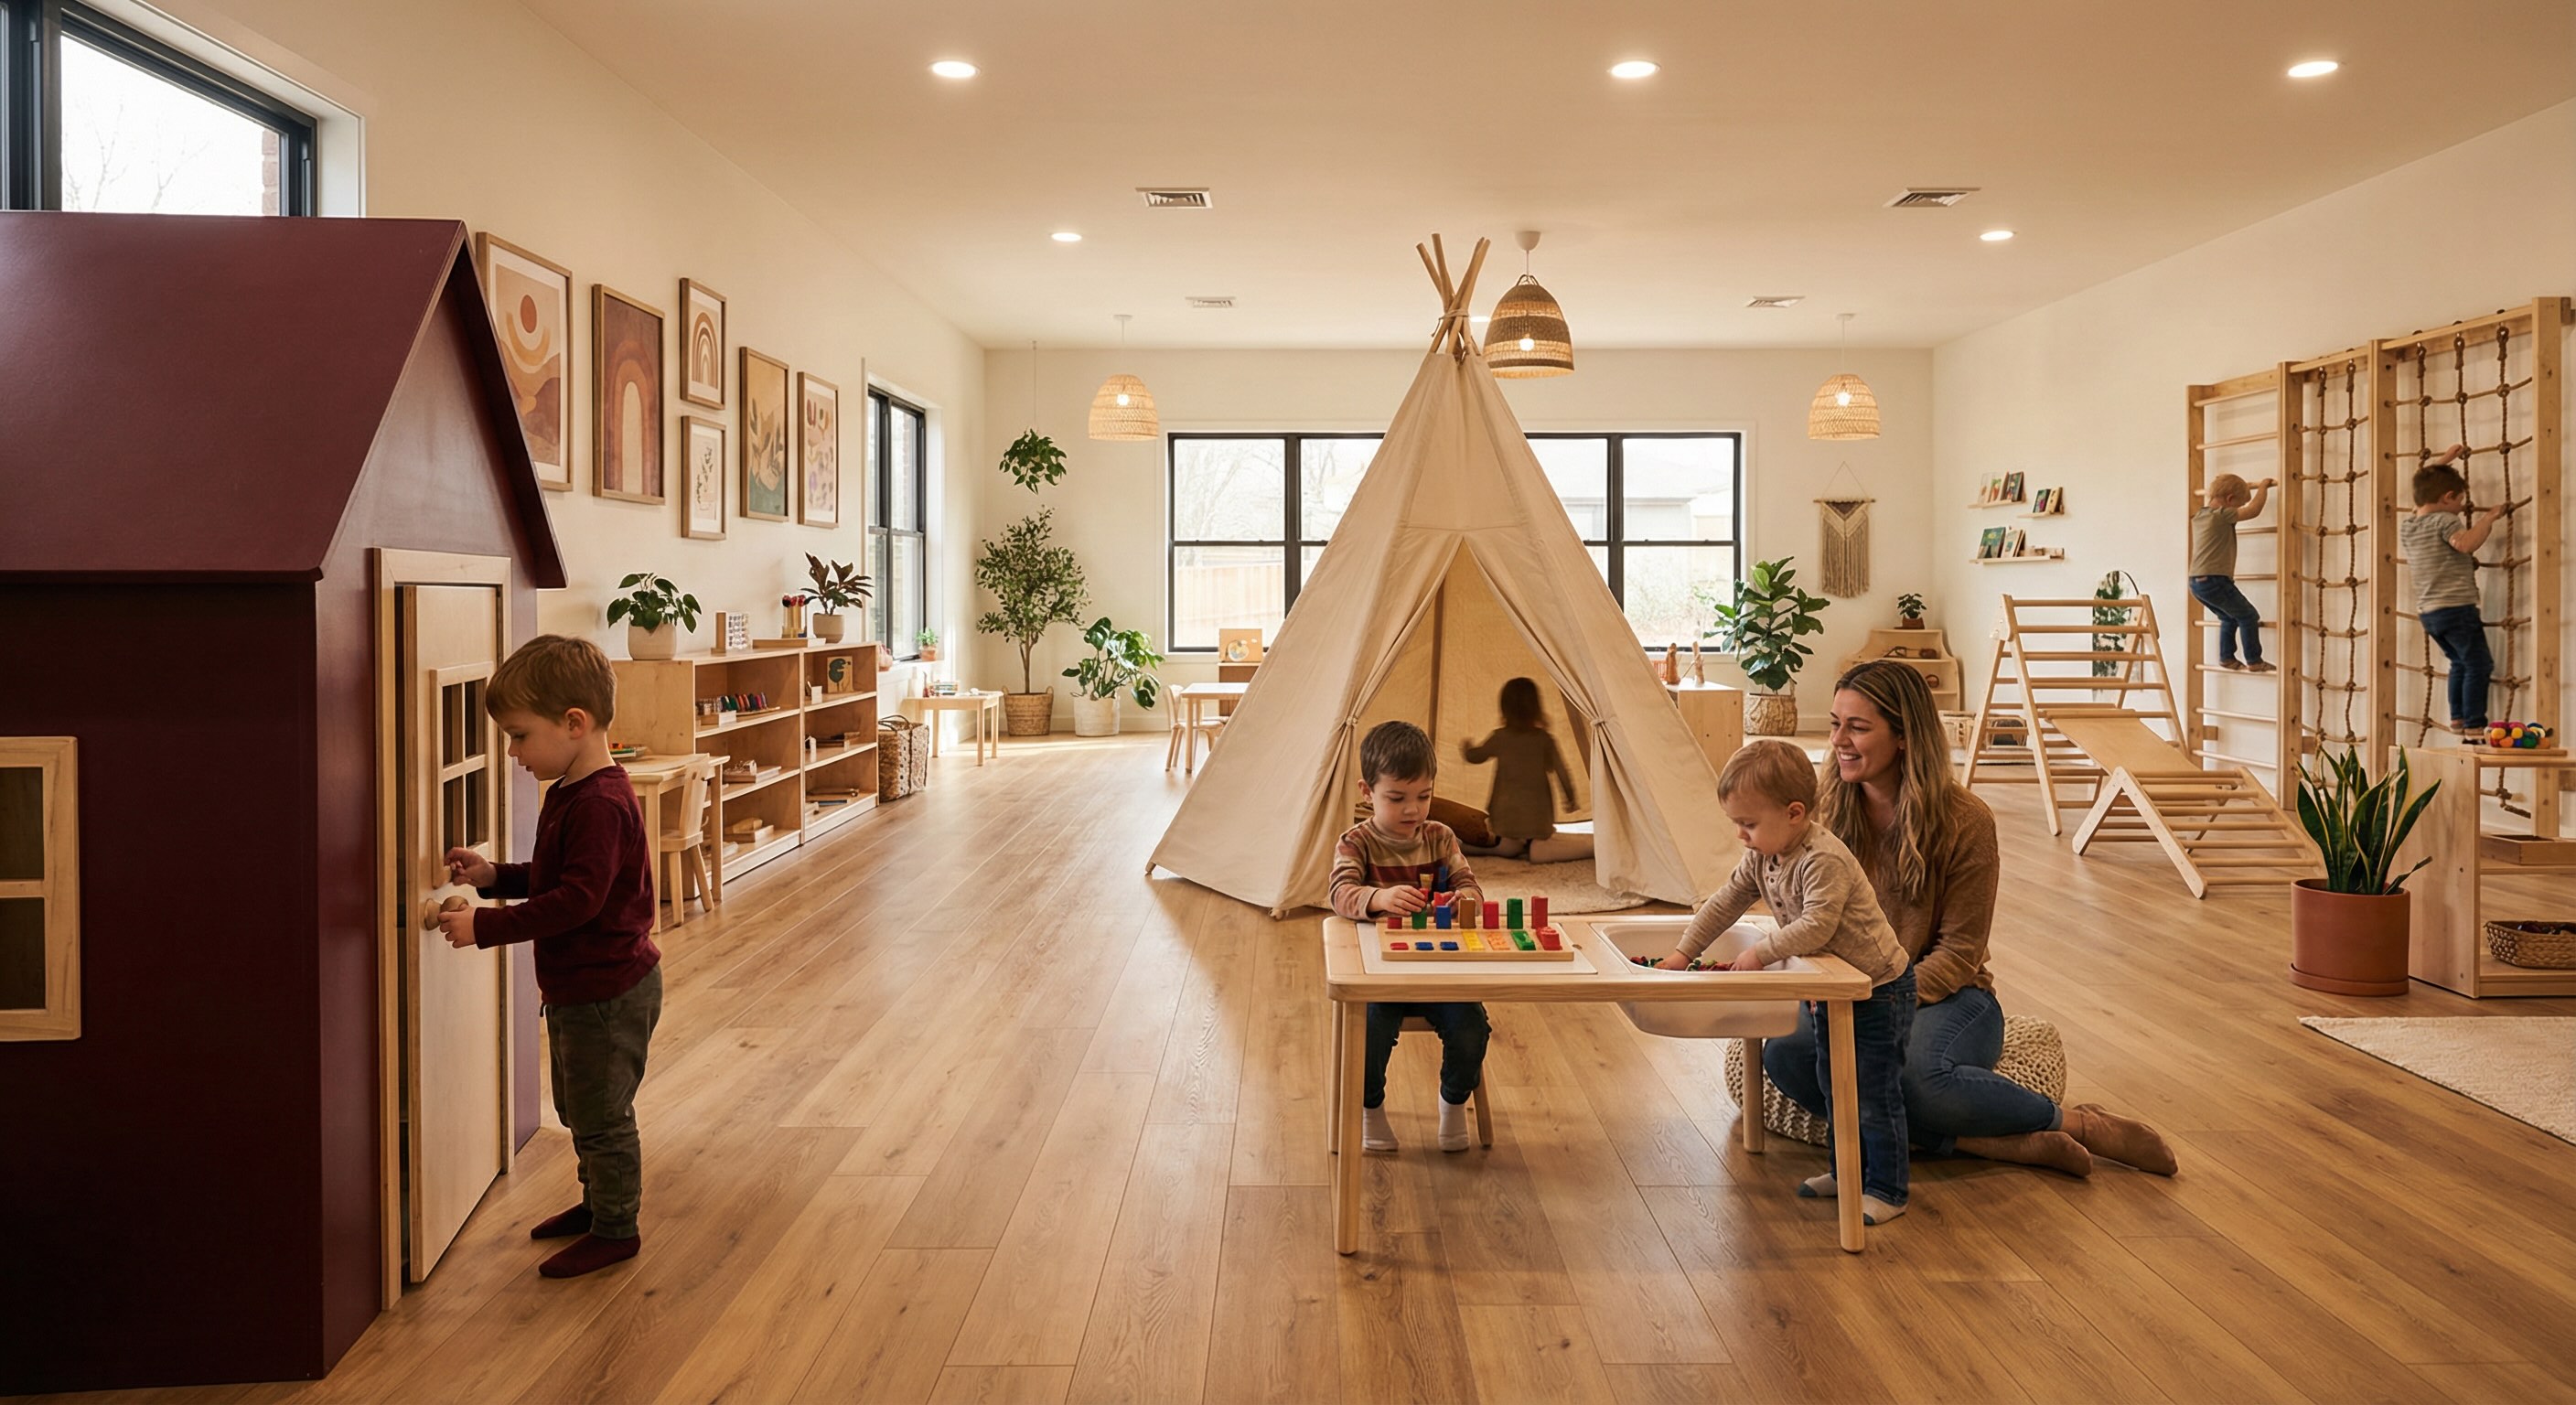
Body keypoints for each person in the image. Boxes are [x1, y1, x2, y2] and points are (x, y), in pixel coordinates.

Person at [1765, 660, 2176, 1178]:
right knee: (1784, 1056)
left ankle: (2079, 1125)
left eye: (1858, 727)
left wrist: (1879, 999)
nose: (1839, 740)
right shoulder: (1819, 815)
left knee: (1916, 1078)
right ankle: (1994, 1145)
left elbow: (1959, 954)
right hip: (1849, 992)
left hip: (1950, 996)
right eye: (1835, 723)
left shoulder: (1967, 821)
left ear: (1905, 737)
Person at [433, 634, 661, 1278]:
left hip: (608, 994)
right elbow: (558, 877)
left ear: (574, 723)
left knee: (601, 1116)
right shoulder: (572, 789)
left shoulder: (600, 803)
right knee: (578, 1107)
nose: (511, 752)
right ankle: (598, 1205)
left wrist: (485, 928)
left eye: (518, 735)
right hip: (580, 989)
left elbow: (576, 904)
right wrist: (494, 877)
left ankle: (617, 1228)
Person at [1658, 739, 1918, 1225]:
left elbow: (1817, 924)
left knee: (1873, 1090)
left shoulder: (1823, 859)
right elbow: (1725, 902)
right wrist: (1683, 952)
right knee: (1833, 1082)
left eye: (1749, 824)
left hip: (1880, 989)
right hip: (1828, 987)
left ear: (1795, 813)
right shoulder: (1762, 855)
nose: (1740, 834)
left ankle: (1888, 1187)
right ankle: (1847, 1172)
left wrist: (1761, 951)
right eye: (1736, 823)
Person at [1330, 720, 1490, 1154]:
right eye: (1396, 798)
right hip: (1382, 978)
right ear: (1367, 791)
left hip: (1441, 971)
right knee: (1367, 1033)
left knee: (1472, 1028)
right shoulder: (1356, 842)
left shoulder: (1440, 837)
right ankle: (1370, 1110)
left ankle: (1452, 1103)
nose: (1412, 810)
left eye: (1424, 796)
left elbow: (1470, 886)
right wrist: (1378, 898)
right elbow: (1339, 894)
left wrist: (1464, 899)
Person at [2401, 447, 2507, 735]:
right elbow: (2465, 544)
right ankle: (2474, 723)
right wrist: (2489, 519)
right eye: (2460, 501)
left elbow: (2421, 488)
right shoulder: (2445, 520)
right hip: (2456, 607)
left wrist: (2443, 463)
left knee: (2458, 661)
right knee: (2478, 663)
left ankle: (2458, 718)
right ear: (2448, 498)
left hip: (2429, 614)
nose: (2462, 507)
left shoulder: (2410, 524)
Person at [1459, 677, 1581, 861]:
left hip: (1506, 818)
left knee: (1508, 846)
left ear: (1505, 709)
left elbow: (1476, 757)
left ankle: (1497, 848)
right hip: (1539, 819)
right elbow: (1561, 771)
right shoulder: (1544, 740)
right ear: (1537, 708)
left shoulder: (1500, 738)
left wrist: (1467, 748)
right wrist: (1570, 797)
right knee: (1539, 842)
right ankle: (1532, 845)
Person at [2189, 472, 2277, 673]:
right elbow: (2253, 510)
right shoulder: (2221, 515)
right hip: (2214, 580)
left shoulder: (2200, 515)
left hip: (2196, 582)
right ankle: (2254, 660)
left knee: (2229, 617)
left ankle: (2227, 657)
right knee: (2248, 616)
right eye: (2237, 505)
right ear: (2229, 500)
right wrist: (2263, 486)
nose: (2237, 510)